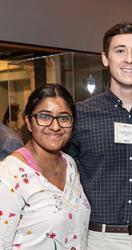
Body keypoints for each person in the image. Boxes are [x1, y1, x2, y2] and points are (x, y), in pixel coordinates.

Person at [69, 22, 132, 250]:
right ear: (105, 58)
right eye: (120, 51)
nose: (129, 59)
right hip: (100, 239)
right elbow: (57, 166)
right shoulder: (80, 114)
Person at [0, 84, 90, 249]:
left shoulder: (69, 164)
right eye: (44, 116)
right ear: (28, 122)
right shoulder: (9, 175)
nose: (55, 126)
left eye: (64, 118)